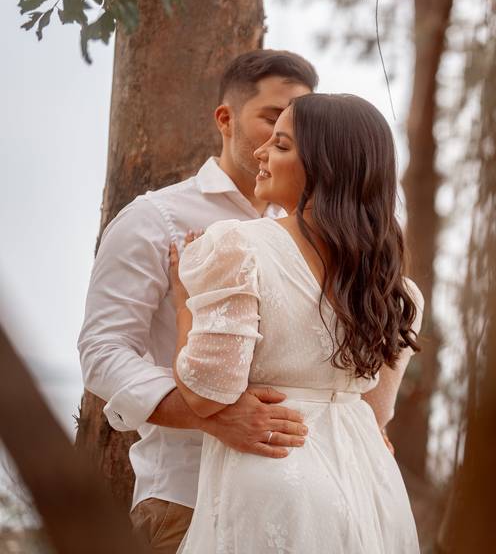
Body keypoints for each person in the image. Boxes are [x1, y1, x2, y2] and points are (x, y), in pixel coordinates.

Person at [78, 50, 321, 553]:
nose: (282, 138)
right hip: (188, 498)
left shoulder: (312, 230)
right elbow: (103, 351)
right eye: (271, 118)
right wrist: (207, 414)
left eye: (297, 126)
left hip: (300, 502)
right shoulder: (153, 219)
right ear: (225, 119)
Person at [168, 93, 423, 553]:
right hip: (372, 491)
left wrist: (186, 302)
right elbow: (376, 412)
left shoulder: (237, 248)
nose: (262, 152)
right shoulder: (396, 291)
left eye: (281, 146)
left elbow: (206, 394)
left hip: (276, 479)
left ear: (324, 167)